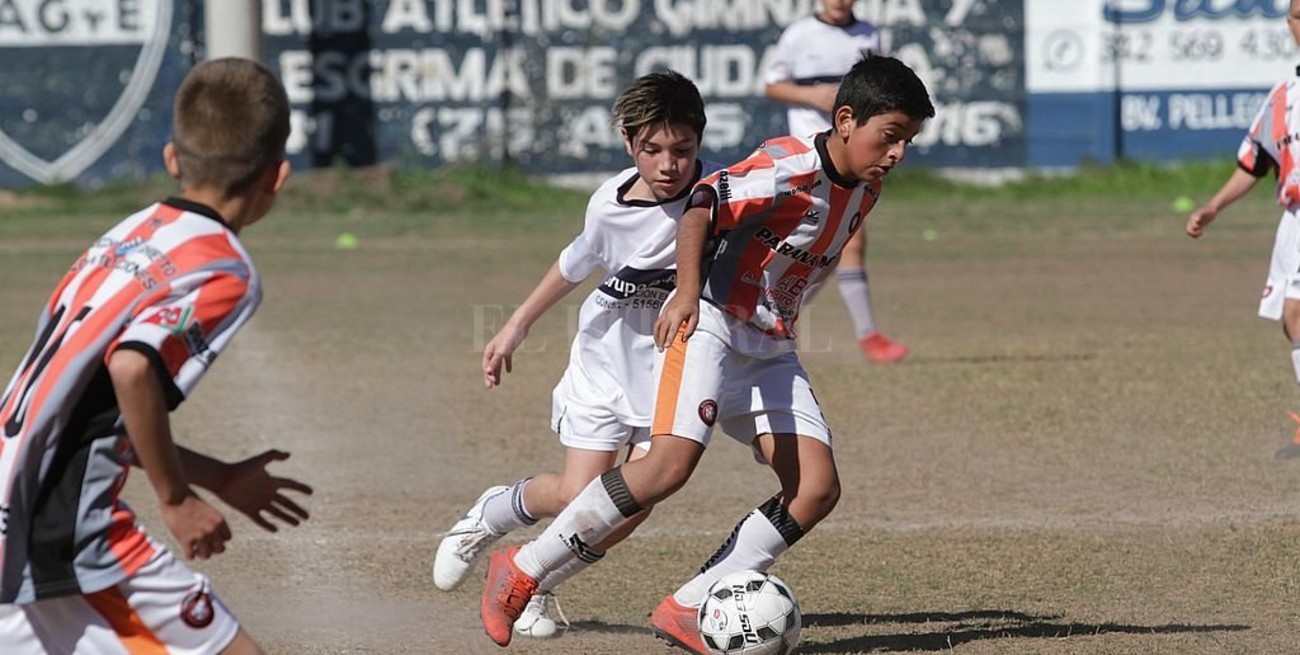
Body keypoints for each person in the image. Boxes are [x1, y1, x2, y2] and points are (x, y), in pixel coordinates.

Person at [478, 54, 934, 651]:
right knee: (668, 465)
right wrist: (688, 293)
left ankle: (690, 605)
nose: (898, 153)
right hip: (713, 327)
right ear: (845, 120)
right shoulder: (786, 165)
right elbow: (702, 203)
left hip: (770, 349)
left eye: (908, 140)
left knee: (816, 488)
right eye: (891, 136)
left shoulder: (863, 191)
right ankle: (523, 568)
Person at [0, 58, 310, 654]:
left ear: (172, 159)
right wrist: (176, 498)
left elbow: (85, 409)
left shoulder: (128, 234)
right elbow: (130, 368)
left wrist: (215, 476)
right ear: (278, 176)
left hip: (19, 497)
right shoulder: (223, 265)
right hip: (61, 525)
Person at [432, 70, 714, 639]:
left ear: (699, 144)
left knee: (633, 503)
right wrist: (515, 326)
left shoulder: (721, 198)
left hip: (670, 367)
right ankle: (491, 513)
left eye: (681, 150)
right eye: (651, 150)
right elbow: (573, 263)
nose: (667, 164)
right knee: (574, 495)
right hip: (605, 363)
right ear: (628, 143)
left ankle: (533, 579)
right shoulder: (609, 205)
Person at [763, 0, 909, 364]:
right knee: (825, 244)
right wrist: (811, 95)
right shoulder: (800, 34)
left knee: (842, 243)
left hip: (851, 157)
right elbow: (771, 85)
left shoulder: (868, 34)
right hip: (811, 154)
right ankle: (771, 319)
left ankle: (776, 320)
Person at [1186, 63, 1300, 460]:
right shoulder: (1282, 96)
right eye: (1298, 14)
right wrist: (1214, 206)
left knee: (1297, 313)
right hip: (1294, 219)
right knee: (1292, 322)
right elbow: (1255, 162)